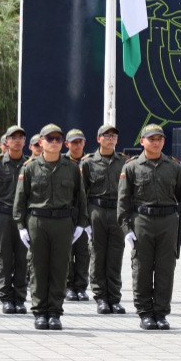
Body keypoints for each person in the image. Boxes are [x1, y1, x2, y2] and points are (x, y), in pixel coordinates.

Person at [118, 124, 181, 330]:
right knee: (142, 268)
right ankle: (145, 313)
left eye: (159, 138)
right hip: (142, 221)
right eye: (151, 138)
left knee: (165, 269)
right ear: (142, 141)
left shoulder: (174, 167)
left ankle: (161, 313)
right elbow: (123, 202)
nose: (156, 142)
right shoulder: (131, 167)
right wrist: (126, 229)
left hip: (168, 222)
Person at [13, 124, 88, 330]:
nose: (53, 142)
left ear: (63, 143)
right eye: (49, 138)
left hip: (63, 223)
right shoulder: (29, 168)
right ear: (40, 142)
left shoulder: (72, 168)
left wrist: (81, 224)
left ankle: (54, 312)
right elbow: (20, 200)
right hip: (38, 222)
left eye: (57, 139)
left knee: (60, 268)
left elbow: (80, 199)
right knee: (38, 268)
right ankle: (39, 312)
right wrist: (21, 226)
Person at [80, 124, 128, 315]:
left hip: (117, 212)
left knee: (115, 255)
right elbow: (81, 194)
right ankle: (100, 297)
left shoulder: (124, 162)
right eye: (106, 135)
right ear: (98, 138)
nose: (110, 138)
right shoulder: (88, 162)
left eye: (114, 135)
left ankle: (114, 298)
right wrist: (84, 222)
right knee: (98, 255)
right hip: (96, 211)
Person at [0, 125, 29, 312]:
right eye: (13, 137)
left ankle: (19, 297)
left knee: (22, 257)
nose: (17, 140)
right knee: (3, 257)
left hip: (24, 218)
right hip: (3, 216)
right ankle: (5, 297)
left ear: (25, 142)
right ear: (6, 142)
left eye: (21, 137)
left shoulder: (30, 165)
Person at [63, 128, 91, 302]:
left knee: (83, 252)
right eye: (74, 142)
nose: (77, 144)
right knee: (66, 251)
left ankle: (81, 286)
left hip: (85, 214)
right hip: (65, 213)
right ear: (67, 144)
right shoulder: (61, 161)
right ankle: (68, 286)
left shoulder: (91, 162)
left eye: (80, 141)